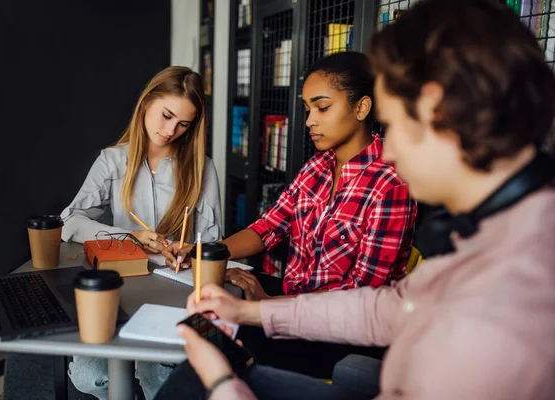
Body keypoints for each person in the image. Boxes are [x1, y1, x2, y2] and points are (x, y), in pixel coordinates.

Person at [155, 0, 555, 399]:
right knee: (206, 349)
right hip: (306, 310)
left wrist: (224, 384)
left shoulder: (509, 308)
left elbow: (366, 293)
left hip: (336, 348)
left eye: (394, 123)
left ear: (436, 108)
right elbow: (385, 307)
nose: (391, 151)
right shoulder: (489, 232)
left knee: (201, 374)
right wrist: (249, 310)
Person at [163, 51, 416, 378]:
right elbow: (269, 228)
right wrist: (205, 253)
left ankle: (231, 375)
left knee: (214, 337)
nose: (310, 120)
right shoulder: (318, 166)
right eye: (307, 108)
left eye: (322, 108)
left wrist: (265, 305)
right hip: (299, 302)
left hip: (346, 336)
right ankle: (224, 369)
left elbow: (360, 300)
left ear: (361, 108)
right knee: (204, 309)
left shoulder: (390, 184)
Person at [61, 66, 223, 400]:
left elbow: (214, 244)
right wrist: (129, 237)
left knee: (157, 373)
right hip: (122, 289)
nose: (170, 130)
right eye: (166, 115)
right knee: (88, 375)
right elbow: (71, 222)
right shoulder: (112, 161)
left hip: (177, 295)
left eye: (183, 124)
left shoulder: (201, 167)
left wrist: (190, 251)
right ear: (147, 102)